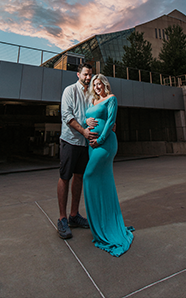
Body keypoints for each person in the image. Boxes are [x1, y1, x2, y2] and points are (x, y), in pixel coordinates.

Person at [82, 74, 134, 256]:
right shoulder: (93, 103)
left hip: (105, 144)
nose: (97, 87)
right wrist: (85, 123)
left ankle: (100, 225)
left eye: (99, 84)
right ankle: (102, 222)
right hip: (92, 146)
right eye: (94, 85)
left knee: (88, 176)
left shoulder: (111, 99)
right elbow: (85, 121)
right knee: (102, 182)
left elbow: (111, 121)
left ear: (105, 84)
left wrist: (100, 139)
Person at [56, 64, 97, 239]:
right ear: (78, 74)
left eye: (90, 75)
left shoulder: (91, 94)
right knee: (65, 177)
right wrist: (84, 131)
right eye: (86, 74)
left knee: (79, 177)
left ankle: (74, 215)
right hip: (70, 141)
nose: (88, 78)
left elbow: (96, 113)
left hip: (84, 144)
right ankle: (62, 218)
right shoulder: (69, 91)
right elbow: (67, 116)